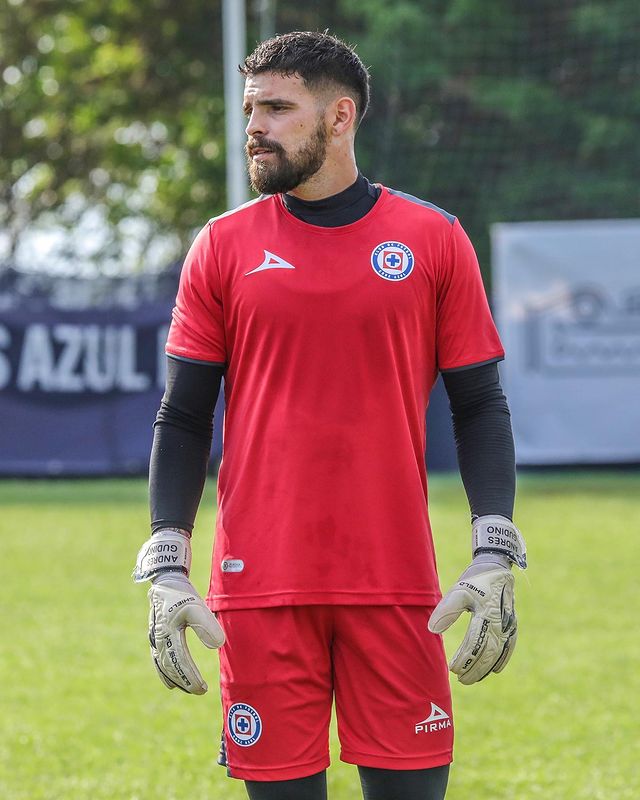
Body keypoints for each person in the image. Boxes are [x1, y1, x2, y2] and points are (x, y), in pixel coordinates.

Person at [133, 30, 527, 800]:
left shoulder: (433, 238)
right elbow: (182, 416)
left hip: (398, 585)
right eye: (251, 108)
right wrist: (168, 564)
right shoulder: (221, 245)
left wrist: (494, 549)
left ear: (339, 117)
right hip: (259, 589)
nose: (256, 126)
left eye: (278, 108)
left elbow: (479, 404)